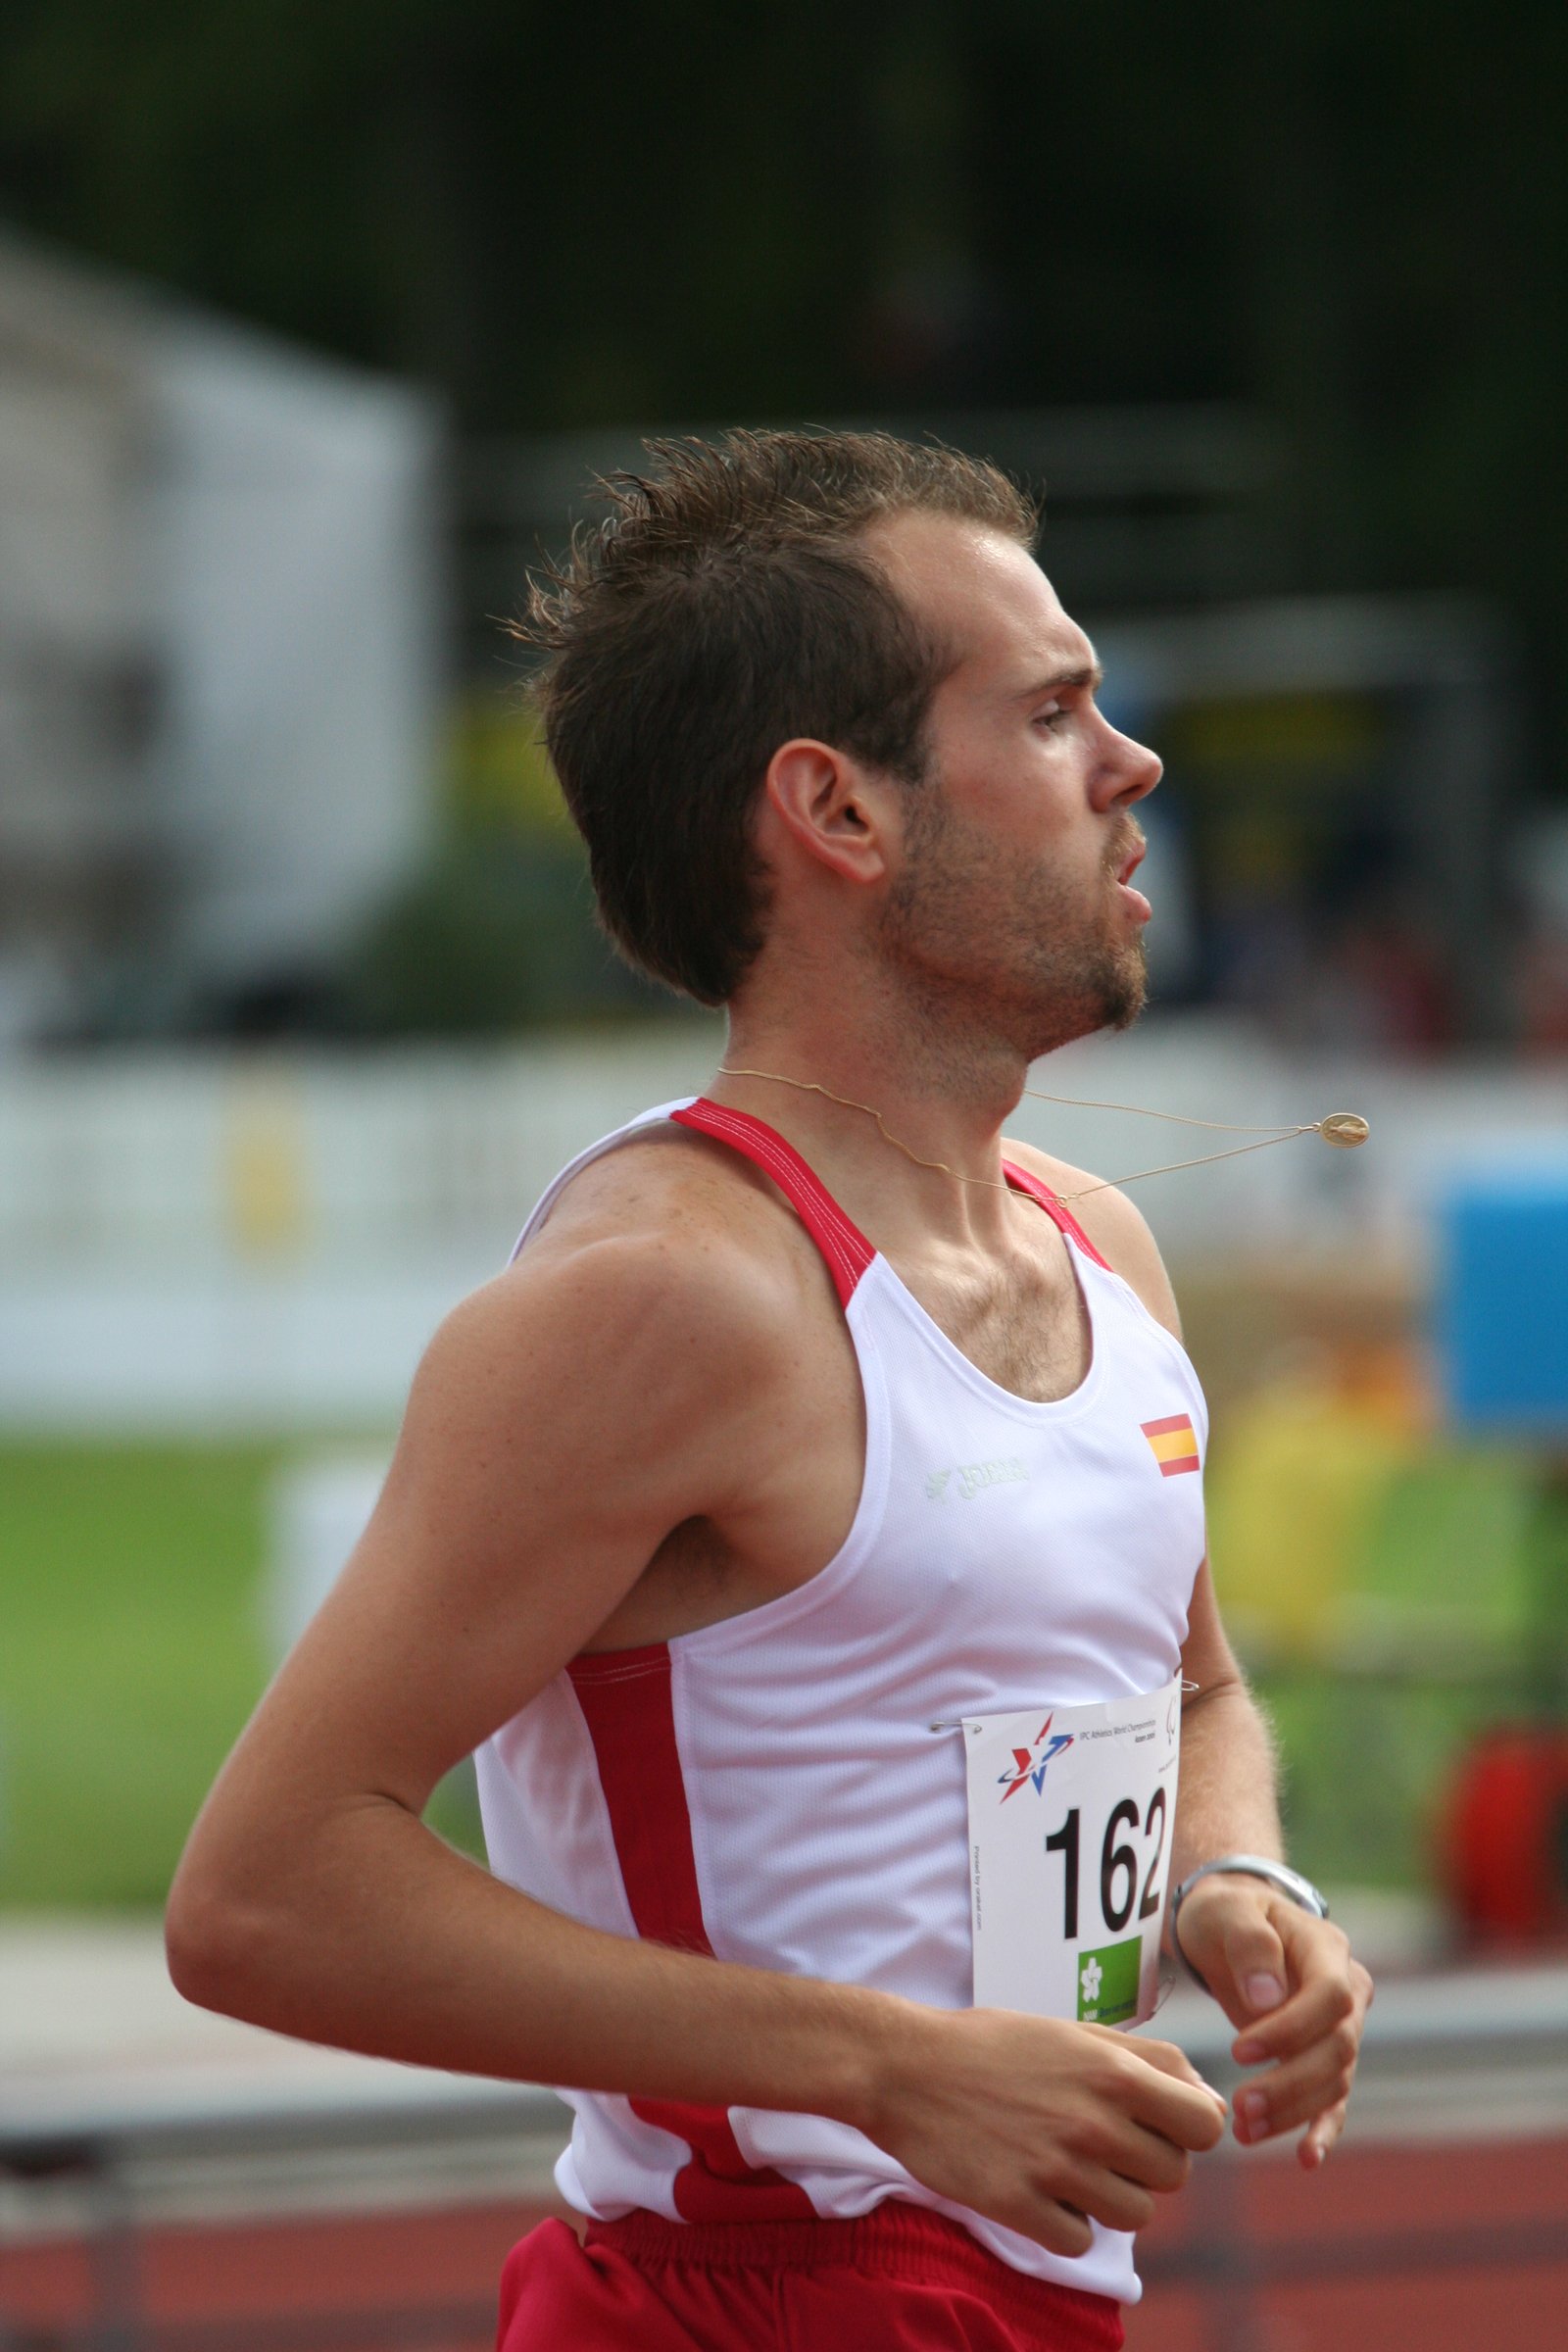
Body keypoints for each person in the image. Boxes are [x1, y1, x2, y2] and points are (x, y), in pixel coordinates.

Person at [167, 430, 1372, 2351]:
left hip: (1031, 2303)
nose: (1132, 763)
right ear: (837, 811)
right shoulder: (659, 1302)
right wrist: (885, 2070)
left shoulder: (1098, 1252)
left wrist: (1232, 1875)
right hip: (755, 2299)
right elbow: (263, 1897)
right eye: (1055, 711)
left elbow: (1192, 1684)